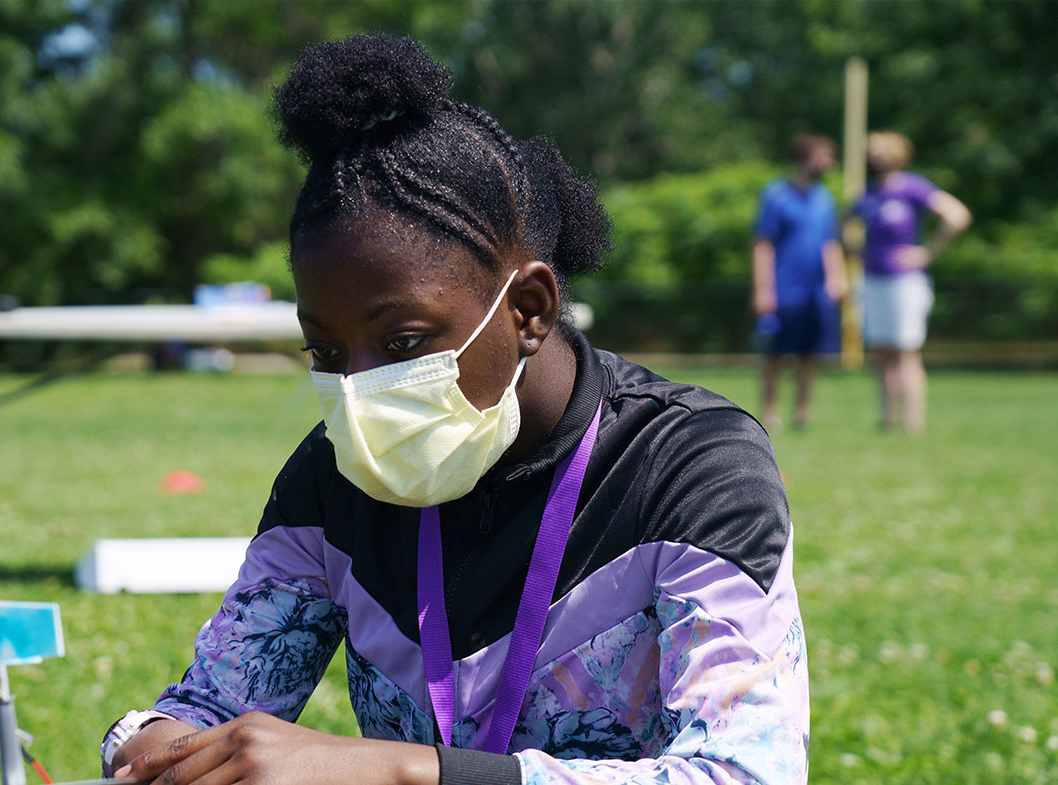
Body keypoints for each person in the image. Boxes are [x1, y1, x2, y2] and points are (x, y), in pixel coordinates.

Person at [102, 34, 808, 785]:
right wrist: (151, 743)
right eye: (326, 352)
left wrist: (411, 771)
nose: (358, 388)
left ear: (529, 309)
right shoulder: (333, 473)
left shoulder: (691, 467)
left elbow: (745, 772)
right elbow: (207, 707)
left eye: (403, 340)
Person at [851, 131, 970, 435]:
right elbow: (843, 220)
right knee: (881, 351)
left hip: (904, 282)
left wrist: (929, 251)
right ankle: (887, 417)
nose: (872, 156)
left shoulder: (913, 187)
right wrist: (854, 250)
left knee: (906, 350)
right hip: (873, 280)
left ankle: (914, 421)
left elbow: (957, 215)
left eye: (877, 150)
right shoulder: (870, 192)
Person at [751, 135, 847, 430]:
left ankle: (803, 413)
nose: (829, 162)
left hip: (815, 293)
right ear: (805, 157)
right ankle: (770, 412)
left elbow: (830, 242)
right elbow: (763, 244)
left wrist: (837, 277)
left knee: (809, 355)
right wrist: (762, 289)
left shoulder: (824, 197)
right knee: (774, 356)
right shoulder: (776, 194)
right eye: (825, 155)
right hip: (783, 290)